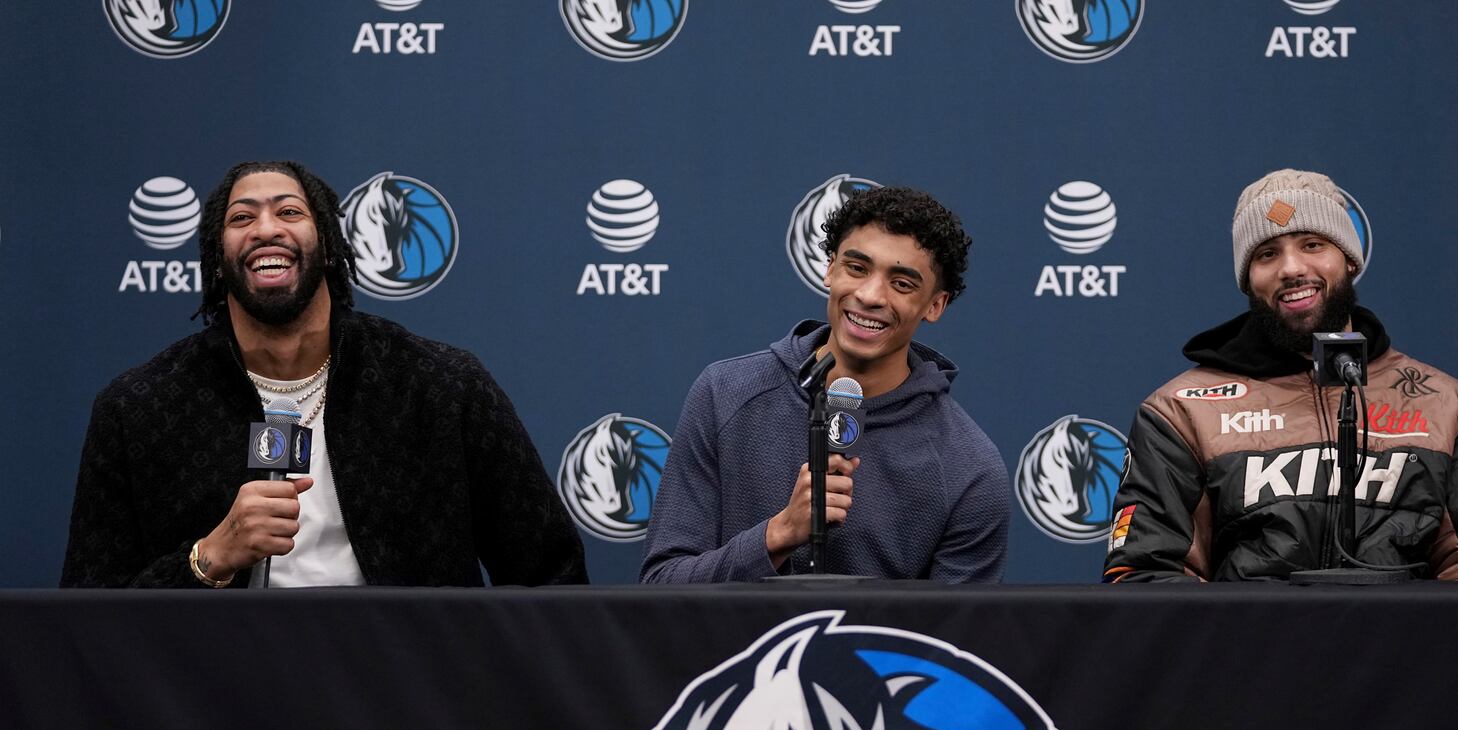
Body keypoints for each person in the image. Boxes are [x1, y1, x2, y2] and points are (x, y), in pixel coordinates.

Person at [62, 160, 586, 588]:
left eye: (289, 211)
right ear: (216, 261)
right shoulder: (140, 409)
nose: (267, 229)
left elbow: (552, 576)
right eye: (242, 219)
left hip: (408, 699)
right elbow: (86, 621)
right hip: (214, 702)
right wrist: (209, 557)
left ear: (329, 245)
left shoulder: (441, 386)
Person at [1104, 168, 1458, 582]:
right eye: (1267, 254)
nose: (1291, 268)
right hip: (1250, 653)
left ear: (1349, 259)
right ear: (1248, 280)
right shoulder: (1180, 412)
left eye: (1312, 244)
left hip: (1406, 652)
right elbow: (1148, 574)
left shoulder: (1447, 406)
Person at [640, 186, 1009, 583]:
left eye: (902, 283)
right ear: (829, 269)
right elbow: (662, 587)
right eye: (857, 268)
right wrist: (777, 535)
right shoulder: (725, 393)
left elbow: (949, 639)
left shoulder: (970, 469)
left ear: (935, 305)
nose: (869, 295)